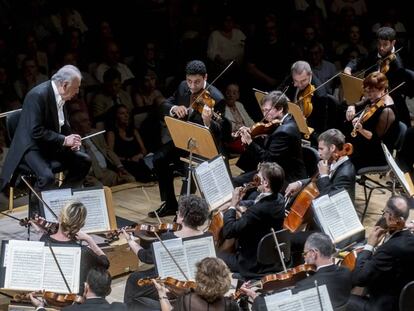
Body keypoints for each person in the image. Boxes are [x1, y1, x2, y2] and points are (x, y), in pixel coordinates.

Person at [0, 65, 91, 216]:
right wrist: (64, 140)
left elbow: (63, 124)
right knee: (46, 176)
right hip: (30, 147)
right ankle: (37, 216)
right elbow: (35, 131)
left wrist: (72, 140)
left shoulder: (62, 95)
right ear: (64, 85)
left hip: (49, 144)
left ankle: (61, 201)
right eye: (76, 88)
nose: (77, 92)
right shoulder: (37, 95)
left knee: (84, 160)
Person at [148, 60, 231, 217]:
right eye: (190, 81)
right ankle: (170, 203)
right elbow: (164, 105)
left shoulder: (217, 98)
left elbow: (222, 132)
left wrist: (208, 121)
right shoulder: (182, 87)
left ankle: (182, 212)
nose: (192, 86)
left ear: (205, 77)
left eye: (197, 82)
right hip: (185, 139)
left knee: (189, 170)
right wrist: (174, 108)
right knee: (159, 158)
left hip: (205, 144)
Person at [123, 195, 211, 309]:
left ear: (182, 217)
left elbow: (145, 257)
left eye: (179, 212)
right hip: (198, 281)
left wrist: (130, 241)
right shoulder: (208, 236)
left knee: (134, 278)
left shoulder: (168, 238)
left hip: (173, 283)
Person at [243, 232, 352, 311]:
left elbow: (266, 308)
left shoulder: (308, 285)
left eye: (305, 254)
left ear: (313, 253)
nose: (304, 259)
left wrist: (255, 296)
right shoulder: (346, 272)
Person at [220, 162, 286, 279]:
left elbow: (229, 231)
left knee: (212, 256)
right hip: (270, 256)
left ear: (265, 183)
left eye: (258, 177)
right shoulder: (279, 198)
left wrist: (233, 205)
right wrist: (241, 202)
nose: (255, 179)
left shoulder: (257, 210)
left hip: (252, 263)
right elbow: (255, 202)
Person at [349, 195, 414, 311]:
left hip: (382, 306)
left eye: (384, 212)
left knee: (341, 298)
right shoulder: (410, 239)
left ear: (389, 215)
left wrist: (369, 246)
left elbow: (359, 279)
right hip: (405, 299)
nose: (383, 215)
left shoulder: (389, 249)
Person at [35, 201, 109, 294]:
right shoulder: (83, 252)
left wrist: (42, 233)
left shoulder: (44, 242)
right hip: (73, 299)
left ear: (59, 218)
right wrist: (89, 239)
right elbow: (105, 263)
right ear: (81, 225)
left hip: (47, 294)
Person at [234, 90, 306, 186]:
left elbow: (268, 159)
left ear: (280, 109)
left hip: (285, 178)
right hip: (274, 170)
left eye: (267, 110)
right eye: (263, 110)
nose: (264, 115)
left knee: (236, 182)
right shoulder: (287, 120)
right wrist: (253, 132)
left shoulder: (284, 131)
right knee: (239, 179)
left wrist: (250, 142)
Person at [344, 26, 410, 126]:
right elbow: (358, 61)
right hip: (368, 96)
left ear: (393, 43)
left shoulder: (398, 64)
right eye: (379, 44)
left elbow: (393, 90)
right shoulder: (375, 54)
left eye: (385, 45)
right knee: (343, 111)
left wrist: (369, 96)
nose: (381, 48)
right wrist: (348, 69)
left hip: (388, 101)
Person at [346, 71, 398, 171]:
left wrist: (361, 130)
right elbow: (363, 101)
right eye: (367, 91)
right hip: (365, 143)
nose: (369, 95)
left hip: (376, 153)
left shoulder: (387, 111)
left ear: (383, 89)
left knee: (343, 159)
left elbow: (376, 140)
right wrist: (352, 106)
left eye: (372, 91)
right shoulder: (376, 97)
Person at [285, 128, 356, 201]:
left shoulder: (345, 174)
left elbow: (329, 200)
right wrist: (299, 183)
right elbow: (317, 180)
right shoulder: (333, 160)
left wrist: (324, 175)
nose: (319, 153)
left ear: (332, 148)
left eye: (321, 149)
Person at [70, 110, 135, 187]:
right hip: (90, 177)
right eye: (84, 121)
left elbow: (108, 151)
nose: (89, 123)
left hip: (106, 173)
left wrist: (120, 167)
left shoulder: (95, 133)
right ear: (75, 125)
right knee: (101, 189)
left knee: (130, 179)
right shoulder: (70, 141)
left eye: (88, 120)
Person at [153, 257, 240, 311]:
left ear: (198, 278)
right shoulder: (231, 305)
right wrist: (243, 302)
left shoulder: (187, 300)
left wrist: (162, 293)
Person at [277, 60, 335, 135]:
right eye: (296, 81)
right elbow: (279, 91)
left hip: (305, 131)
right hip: (287, 119)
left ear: (310, 75)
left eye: (303, 81)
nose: (299, 85)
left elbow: (319, 125)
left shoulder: (320, 95)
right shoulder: (294, 76)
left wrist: (303, 121)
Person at [30, 268, 128, 310]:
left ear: (86, 287)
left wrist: (40, 306)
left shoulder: (70, 310)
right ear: (108, 290)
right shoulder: (121, 308)